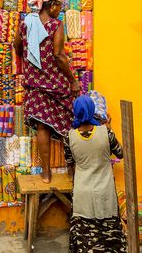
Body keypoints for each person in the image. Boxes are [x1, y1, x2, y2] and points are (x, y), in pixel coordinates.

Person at [14, 0, 80, 183]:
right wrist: (73, 81)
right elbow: (59, 55)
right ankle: (71, 169)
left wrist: (30, 59)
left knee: (43, 127)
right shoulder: (55, 25)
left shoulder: (26, 23)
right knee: (70, 121)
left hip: (34, 82)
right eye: (59, 6)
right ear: (51, 6)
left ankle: (45, 173)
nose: (59, 10)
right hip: (54, 81)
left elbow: (17, 46)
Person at [63, 95, 127, 252]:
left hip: (82, 193)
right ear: (92, 111)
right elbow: (121, 153)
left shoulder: (69, 137)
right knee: (109, 239)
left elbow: (70, 164)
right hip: (105, 192)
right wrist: (109, 129)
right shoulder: (106, 133)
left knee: (85, 240)